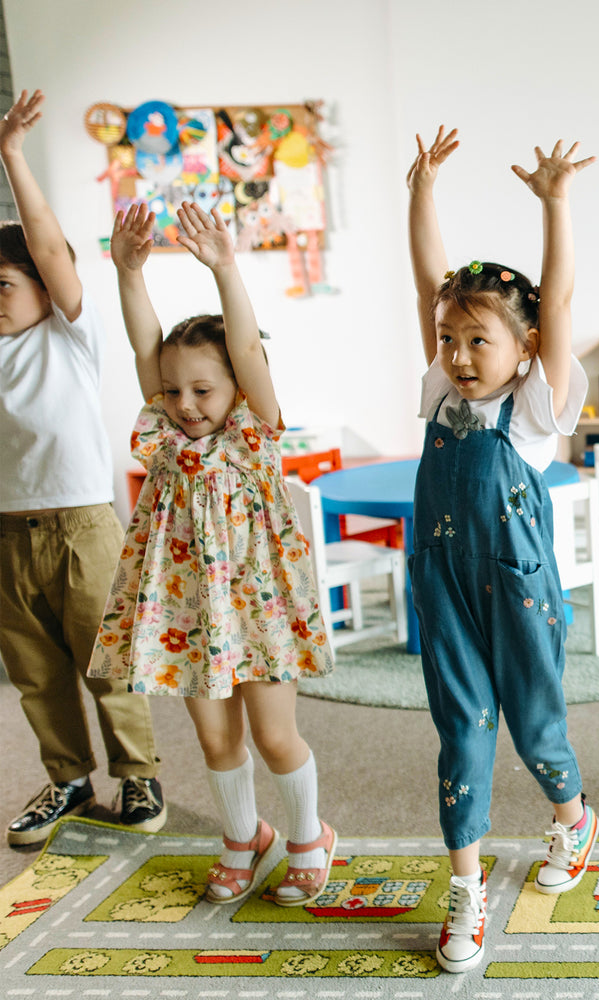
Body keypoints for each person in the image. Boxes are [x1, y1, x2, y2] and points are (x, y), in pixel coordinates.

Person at [88, 200, 335, 908]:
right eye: (175, 390)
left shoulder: (253, 431)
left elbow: (249, 351)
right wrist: (128, 272)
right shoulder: (165, 433)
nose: (187, 403)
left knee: (274, 734)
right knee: (215, 738)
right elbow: (145, 351)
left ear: (236, 388)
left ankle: (307, 837)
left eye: (204, 388)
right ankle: (241, 836)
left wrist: (226, 266)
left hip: (256, 607)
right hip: (186, 611)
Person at [406, 128, 598, 974]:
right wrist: (421, 191)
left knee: (535, 724)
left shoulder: (529, 413)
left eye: (479, 341)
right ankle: (467, 887)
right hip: (444, 585)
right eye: (451, 339)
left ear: (522, 353)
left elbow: (553, 303)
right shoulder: (440, 390)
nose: (458, 354)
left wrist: (555, 204)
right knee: (463, 729)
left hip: (517, 588)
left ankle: (572, 818)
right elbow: (428, 285)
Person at [0, 89, 165, 846]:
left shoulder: (69, 337)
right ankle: (68, 779)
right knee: (35, 672)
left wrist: (11, 156)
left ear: (42, 284)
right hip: (8, 535)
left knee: (107, 661)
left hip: (83, 526)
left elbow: (51, 245)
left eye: (4, 286)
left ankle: (138, 776)